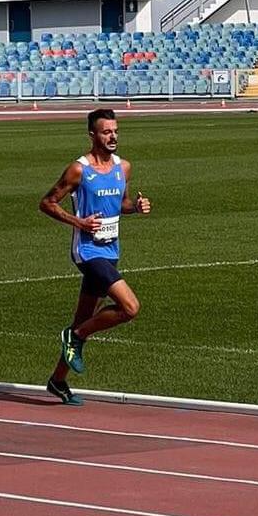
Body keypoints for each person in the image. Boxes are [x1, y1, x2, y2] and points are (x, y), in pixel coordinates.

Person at [39, 108, 150, 406]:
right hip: (87, 252)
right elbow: (47, 203)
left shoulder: (123, 167)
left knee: (84, 318)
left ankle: (57, 380)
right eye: (106, 131)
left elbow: (121, 203)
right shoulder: (78, 170)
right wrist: (80, 222)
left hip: (111, 250)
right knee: (130, 307)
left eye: (115, 131)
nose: (113, 136)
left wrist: (135, 207)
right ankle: (74, 336)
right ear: (92, 135)